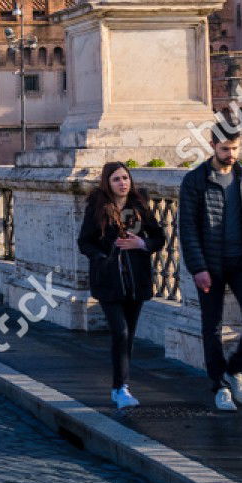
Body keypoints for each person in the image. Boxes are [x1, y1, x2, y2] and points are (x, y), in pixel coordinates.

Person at [178, 126, 242, 412]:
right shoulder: (194, 181)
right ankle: (219, 386)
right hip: (211, 263)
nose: (231, 155)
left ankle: (235, 369)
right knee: (212, 327)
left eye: (235, 149)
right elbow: (188, 229)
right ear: (212, 146)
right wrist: (198, 267)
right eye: (225, 149)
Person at [77, 162, 166, 410]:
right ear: (108, 182)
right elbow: (84, 242)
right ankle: (121, 388)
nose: (122, 183)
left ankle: (120, 386)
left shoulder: (139, 206)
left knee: (128, 336)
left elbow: (159, 237)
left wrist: (143, 244)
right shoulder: (97, 209)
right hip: (109, 282)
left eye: (125, 178)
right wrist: (102, 257)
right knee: (120, 332)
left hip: (135, 282)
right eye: (116, 179)